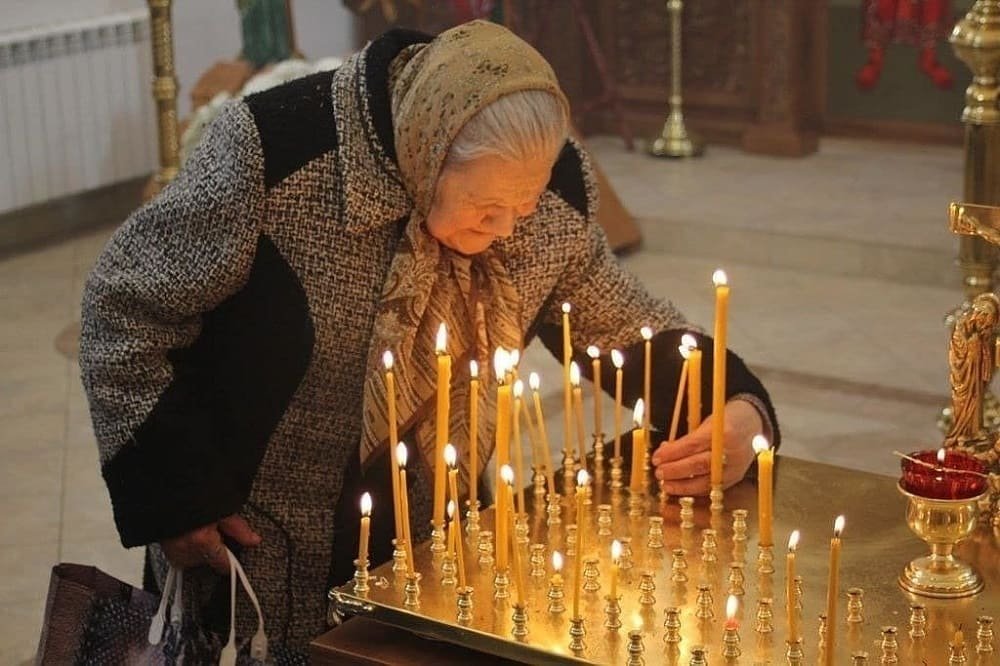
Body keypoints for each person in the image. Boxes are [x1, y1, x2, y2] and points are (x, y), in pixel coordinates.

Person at [80, 20, 778, 661]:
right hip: (257, 550)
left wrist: (738, 410)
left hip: (434, 552)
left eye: (523, 208)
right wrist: (176, 493)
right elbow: (125, 307)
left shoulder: (544, 196)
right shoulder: (280, 155)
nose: (509, 231)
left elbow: (622, 322)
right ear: (427, 152)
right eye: (486, 209)